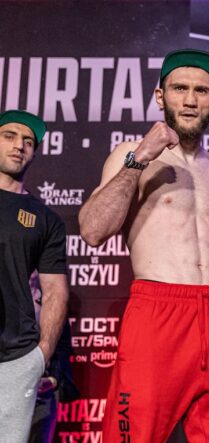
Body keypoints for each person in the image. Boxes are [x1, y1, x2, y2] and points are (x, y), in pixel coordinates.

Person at [78, 49, 209, 443]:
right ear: (159, 96)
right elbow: (93, 231)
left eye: (201, 91)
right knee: (133, 436)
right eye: (180, 89)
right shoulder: (130, 154)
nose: (190, 100)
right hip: (159, 313)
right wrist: (139, 161)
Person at [0, 110, 69, 442]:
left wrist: (41, 355)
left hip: (15, 358)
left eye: (29, 141)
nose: (19, 146)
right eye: (10, 136)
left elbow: (55, 292)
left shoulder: (45, 219)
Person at [29, 271, 79, 443]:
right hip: (11, 388)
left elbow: (63, 347)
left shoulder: (54, 301)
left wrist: (53, 379)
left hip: (44, 391)